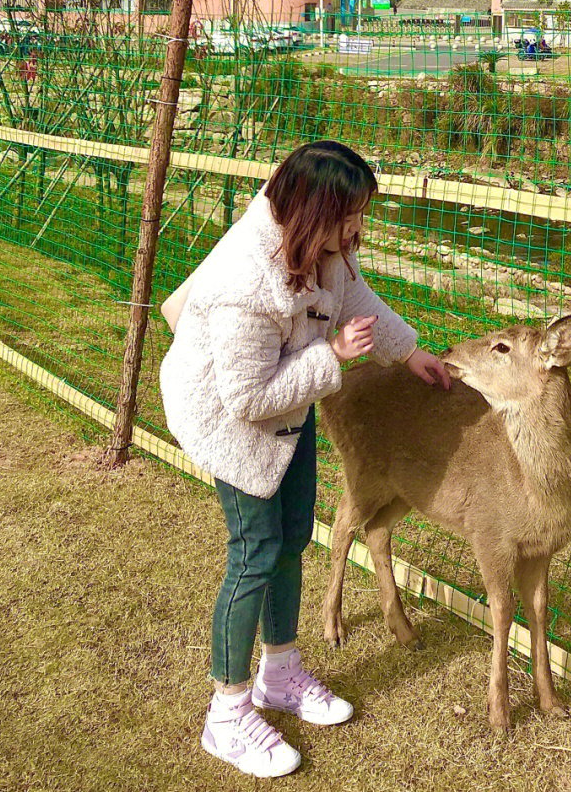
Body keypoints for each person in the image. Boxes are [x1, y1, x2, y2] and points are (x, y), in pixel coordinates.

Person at [159, 141, 451, 779]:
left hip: (292, 396)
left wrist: (409, 354)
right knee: (254, 554)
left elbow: (355, 299)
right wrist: (335, 357)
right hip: (232, 418)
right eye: (354, 216)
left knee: (293, 538)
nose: (360, 229)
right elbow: (249, 398)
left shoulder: (325, 249)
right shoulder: (245, 280)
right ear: (322, 213)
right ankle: (227, 714)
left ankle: (280, 673)